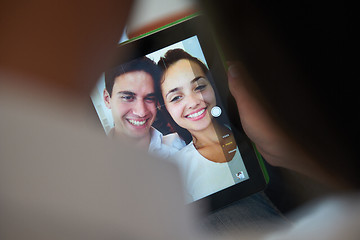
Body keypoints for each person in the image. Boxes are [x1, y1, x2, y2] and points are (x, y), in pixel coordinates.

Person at [157, 49, 249, 202]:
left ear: (212, 86)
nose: (193, 102)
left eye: (199, 87)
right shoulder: (177, 171)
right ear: (165, 108)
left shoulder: (245, 125)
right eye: (176, 97)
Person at [103, 57, 185, 158]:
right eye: (128, 97)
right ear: (107, 99)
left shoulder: (180, 145)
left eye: (149, 98)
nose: (141, 112)